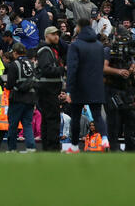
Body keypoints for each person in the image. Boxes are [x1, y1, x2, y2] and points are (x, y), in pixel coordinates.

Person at [65, 17, 109, 153]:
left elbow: (72, 68)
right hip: (96, 85)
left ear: (79, 27)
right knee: (97, 115)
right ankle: (105, 139)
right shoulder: (99, 45)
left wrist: (68, 90)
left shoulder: (75, 45)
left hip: (79, 86)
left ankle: (74, 146)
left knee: (76, 116)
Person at [35, 26, 65, 152]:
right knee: (52, 119)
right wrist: (63, 69)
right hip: (48, 90)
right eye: (53, 34)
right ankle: (52, 147)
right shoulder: (45, 50)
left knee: (48, 120)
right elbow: (46, 69)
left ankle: (48, 147)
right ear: (47, 36)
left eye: (57, 34)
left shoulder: (50, 50)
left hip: (48, 90)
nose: (56, 37)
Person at [4, 42, 37, 152]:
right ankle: (31, 147)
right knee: (27, 124)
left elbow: (9, 85)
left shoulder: (14, 65)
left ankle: (12, 149)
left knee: (13, 124)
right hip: (31, 98)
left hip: (17, 99)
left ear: (15, 52)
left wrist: (5, 83)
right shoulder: (32, 64)